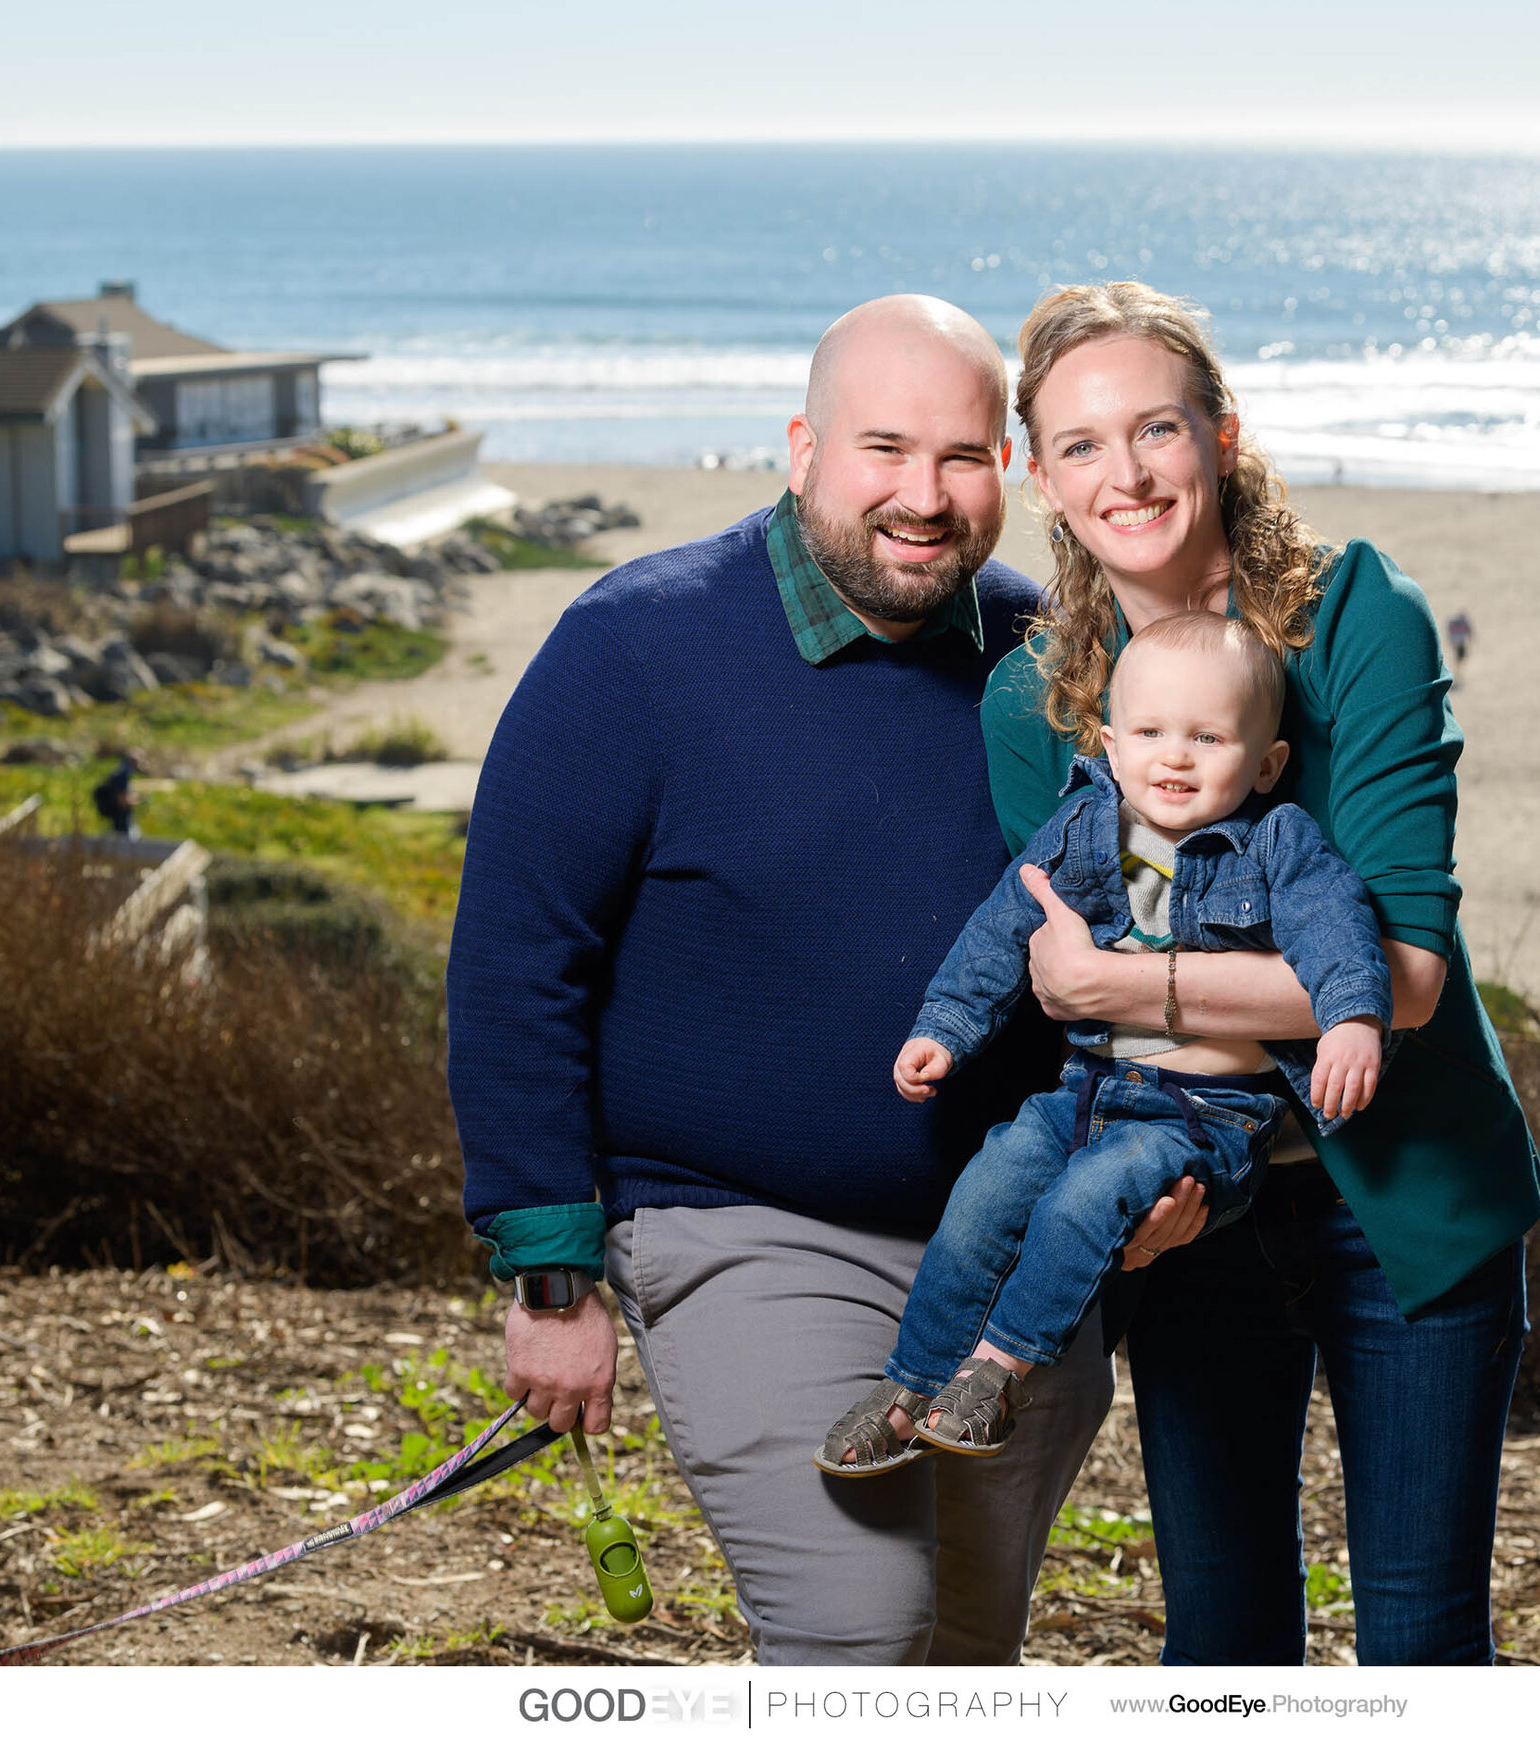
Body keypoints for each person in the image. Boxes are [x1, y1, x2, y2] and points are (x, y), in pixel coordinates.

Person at [446, 295, 1120, 1665]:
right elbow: (519, 964)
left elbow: (1113, 924)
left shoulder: (1045, 654)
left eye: (963, 456)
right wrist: (550, 1283)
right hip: (742, 1231)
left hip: (1009, 1249)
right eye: (884, 449)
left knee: (965, 1655)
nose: (922, 498)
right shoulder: (632, 650)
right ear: (803, 446)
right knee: (859, 1635)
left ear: (1009, 468)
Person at [982, 282, 1540, 1665]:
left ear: (1220, 435)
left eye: (1156, 428)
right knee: (1224, 1642)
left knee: (1420, 1639)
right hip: (1188, 1206)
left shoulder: (1355, 613)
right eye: (1083, 444)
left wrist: (1131, 992)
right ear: (1037, 475)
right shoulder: (1030, 700)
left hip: (1408, 1197)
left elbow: (1402, 981)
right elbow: (1052, 981)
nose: (1128, 473)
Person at [818, 613, 1393, 1473]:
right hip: (1086, 1091)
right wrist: (944, 1028)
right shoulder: (1085, 827)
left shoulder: (1278, 842)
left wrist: (1353, 1019)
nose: (1176, 757)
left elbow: (1337, 932)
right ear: (1112, 745)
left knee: (1086, 1200)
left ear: (1267, 763)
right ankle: (912, 1385)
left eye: (1209, 737)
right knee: (987, 1189)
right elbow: (1000, 930)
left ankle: (997, 1372)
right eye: (1152, 733)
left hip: (1204, 1118)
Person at [92, 751, 140, 837]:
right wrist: (134, 801)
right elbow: (121, 799)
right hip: (120, 820)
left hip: (117, 819)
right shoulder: (122, 775)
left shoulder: (120, 773)